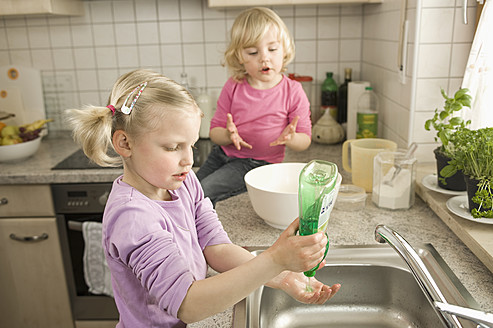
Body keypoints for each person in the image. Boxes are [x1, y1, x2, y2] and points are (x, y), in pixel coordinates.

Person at [65, 69, 340, 328]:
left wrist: (282, 276)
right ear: (125, 143)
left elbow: (215, 247)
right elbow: (187, 303)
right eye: (173, 147)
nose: (189, 160)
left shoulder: (182, 182)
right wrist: (274, 260)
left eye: (192, 145)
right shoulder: (133, 217)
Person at [197, 7, 312, 206]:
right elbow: (214, 132)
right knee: (188, 191)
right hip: (220, 154)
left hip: (258, 164)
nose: (264, 57)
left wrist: (291, 138)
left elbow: (305, 140)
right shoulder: (233, 85)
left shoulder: (293, 91)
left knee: (205, 192)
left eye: (272, 49)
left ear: (284, 49)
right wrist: (228, 135)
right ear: (239, 56)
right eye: (253, 52)